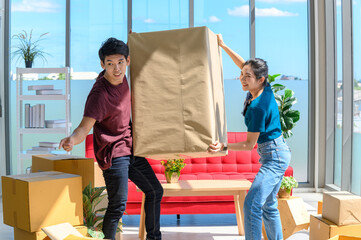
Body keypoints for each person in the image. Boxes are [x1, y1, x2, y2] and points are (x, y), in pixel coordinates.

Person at [59, 37, 163, 240]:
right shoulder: (99, 94)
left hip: (131, 148)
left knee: (155, 191)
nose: (116, 69)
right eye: (110, 64)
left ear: (128, 61)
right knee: (117, 206)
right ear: (102, 64)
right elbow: (84, 127)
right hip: (113, 154)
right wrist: (72, 139)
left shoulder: (124, 76)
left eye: (120, 63)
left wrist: (135, 38)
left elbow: (141, 54)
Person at [208, 34, 291, 240]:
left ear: (260, 79)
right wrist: (224, 46)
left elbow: (247, 145)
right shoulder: (264, 88)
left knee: (252, 203)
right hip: (276, 152)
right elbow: (243, 64)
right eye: (242, 75)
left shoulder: (257, 107)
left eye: (247, 77)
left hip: (274, 157)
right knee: (269, 206)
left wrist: (223, 147)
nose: (242, 79)